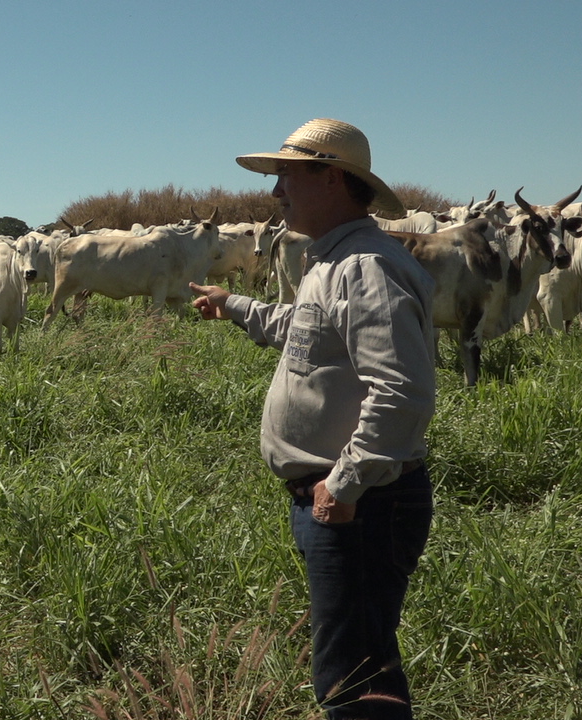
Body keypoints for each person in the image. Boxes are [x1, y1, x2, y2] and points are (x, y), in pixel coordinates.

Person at [190, 119, 436, 719]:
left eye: (287, 177)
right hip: (342, 500)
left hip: (359, 503)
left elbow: (401, 390)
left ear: (331, 178)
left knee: (353, 677)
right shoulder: (333, 261)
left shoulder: (365, 267)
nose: (276, 192)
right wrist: (236, 306)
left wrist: (344, 484)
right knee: (358, 654)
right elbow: (305, 333)